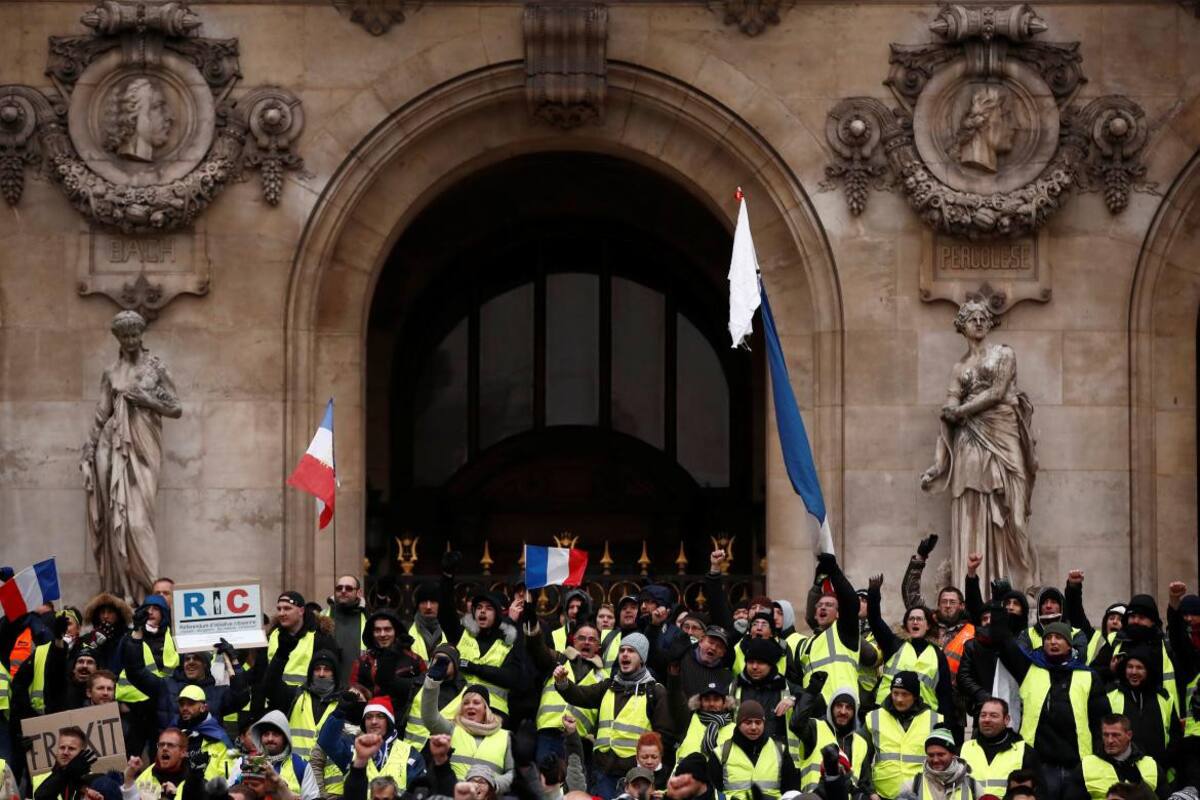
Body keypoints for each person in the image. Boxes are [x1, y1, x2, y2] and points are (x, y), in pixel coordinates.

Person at [919, 298, 1039, 594]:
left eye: (984, 317)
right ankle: (972, 586)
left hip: (1003, 434)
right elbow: (947, 414)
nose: (979, 322)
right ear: (962, 326)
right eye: (973, 318)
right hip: (968, 441)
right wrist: (939, 463)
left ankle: (1020, 587)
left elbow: (997, 392)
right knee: (971, 508)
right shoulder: (959, 368)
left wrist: (961, 411)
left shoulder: (1004, 354)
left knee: (1015, 515)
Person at [82, 309, 182, 600]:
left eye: (134, 334)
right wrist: (88, 453)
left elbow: (176, 408)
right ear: (118, 338)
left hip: (144, 444)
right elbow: (101, 414)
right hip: (111, 444)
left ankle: (153, 592)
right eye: (124, 336)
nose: (129, 340)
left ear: (141, 335)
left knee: (138, 522)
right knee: (118, 517)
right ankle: (126, 593)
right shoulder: (111, 372)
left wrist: (146, 399)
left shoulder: (156, 368)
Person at [994, 603, 1109, 800]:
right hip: (1038, 764)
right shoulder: (1029, 669)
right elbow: (1003, 641)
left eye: (1059, 637)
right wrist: (998, 604)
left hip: (1077, 765)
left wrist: (1098, 756)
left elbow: (1101, 720)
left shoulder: (1088, 676)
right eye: (1048, 638)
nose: (1053, 642)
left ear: (1070, 644)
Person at [554, 633, 675, 798]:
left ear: (642, 659)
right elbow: (580, 695)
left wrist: (653, 772)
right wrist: (562, 682)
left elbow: (664, 736)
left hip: (635, 777)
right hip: (602, 772)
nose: (625, 654)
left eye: (631, 651)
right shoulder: (608, 686)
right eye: (622, 650)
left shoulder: (655, 691)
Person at [868, 573, 957, 730]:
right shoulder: (894, 644)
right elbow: (875, 621)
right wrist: (874, 594)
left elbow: (945, 695)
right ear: (906, 625)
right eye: (911, 619)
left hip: (924, 718)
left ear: (928, 625)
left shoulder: (937, 655)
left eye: (919, 619)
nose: (915, 621)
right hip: (888, 712)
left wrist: (946, 729)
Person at [437, 557, 520, 721]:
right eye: (479, 608)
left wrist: (473, 667)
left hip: (494, 713)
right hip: (460, 709)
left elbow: (512, 677)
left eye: (488, 608)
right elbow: (445, 610)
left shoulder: (508, 641)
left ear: (497, 615)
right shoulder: (462, 634)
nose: (482, 611)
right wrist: (447, 576)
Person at [418, 664, 513, 793]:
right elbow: (430, 717)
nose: (470, 706)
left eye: (476, 703)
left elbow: (513, 773)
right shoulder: (452, 729)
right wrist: (432, 684)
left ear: (486, 709)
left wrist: (493, 785)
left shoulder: (506, 736)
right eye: (466, 703)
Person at [525, 613, 606, 759]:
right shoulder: (558, 659)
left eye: (592, 639)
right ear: (573, 640)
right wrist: (532, 629)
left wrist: (593, 736)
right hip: (548, 732)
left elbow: (605, 713)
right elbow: (538, 649)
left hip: (579, 739)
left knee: (573, 775)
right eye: (581, 638)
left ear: (598, 645)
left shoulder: (604, 676)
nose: (586, 642)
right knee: (546, 773)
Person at [901, 535, 976, 676]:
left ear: (962, 606)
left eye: (952, 602)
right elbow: (911, 595)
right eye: (944, 602)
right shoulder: (929, 624)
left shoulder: (970, 628)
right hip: (927, 684)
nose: (947, 605)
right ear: (938, 605)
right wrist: (920, 558)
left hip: (958, 687)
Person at [865, 671, 941, 800]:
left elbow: (946, 763)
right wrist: (870, 791)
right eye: (895, 693)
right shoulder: (874, 717)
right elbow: (861, 759)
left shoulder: (935, 720)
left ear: (915, 696)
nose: (899, 699)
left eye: (905, 694)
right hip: (882, 795)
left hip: (922, 795)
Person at [798, 553, 861, 706]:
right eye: (820, 605)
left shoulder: (844, 632)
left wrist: (834, 570)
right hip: (813, 713)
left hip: (842, 709)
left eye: (829, 605)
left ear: (839, 613)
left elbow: (851, 602)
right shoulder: (805, 645)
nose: (823, 607)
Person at [707, 699, 796, 799]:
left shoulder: (780, 751)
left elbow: (791, 792)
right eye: (748, 722)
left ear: (764, 724)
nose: (754, 727)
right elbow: (713, 794)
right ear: (738, 724)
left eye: (758, 722)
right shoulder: (720, 754)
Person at [349, 610, 424, 725]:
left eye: (387, 629)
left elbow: (425, 691)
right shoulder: (361, 662)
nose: (382, 634)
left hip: (407, 722)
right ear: (372, 633)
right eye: (377, 630)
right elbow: (354, 694)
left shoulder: (414, 660)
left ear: (396, 631)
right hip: (373, 723)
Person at [1105, 646, 1177, 765]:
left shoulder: (1165, 697)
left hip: (1159, 769)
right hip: (1122, 769)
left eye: (1139, 667)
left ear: (1148, 671)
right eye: (1130, 667)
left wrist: (1168, 762)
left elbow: (1175, 734)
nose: (1134, 672)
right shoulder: (1111, 695)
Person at [229, 711, 320, 800]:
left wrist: (282, 789)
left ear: (285, 738)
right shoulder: (244, 762)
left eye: (276, 734)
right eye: (266, 734)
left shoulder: (301, 765)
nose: (270, 739)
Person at [262, 592, 340, 694]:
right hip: (275, 697)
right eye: (279, 609)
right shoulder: (273, 634)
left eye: (287, 608)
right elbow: (263, 671)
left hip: (306, 697)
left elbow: (329, 675)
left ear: (301, 611)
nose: (281, 613)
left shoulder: (321, 637)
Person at [959, 698, 1040, 795]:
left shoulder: (1024, 752)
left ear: (1006, 720)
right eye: (983, 715)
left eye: (993, 715)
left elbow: (1038, 793)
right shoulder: (964, 749)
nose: (987, 719)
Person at [399, 644, 466, 749]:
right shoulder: (418, 683)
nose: (441, 664)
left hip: (442, 752)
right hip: (412, 750)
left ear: (455, 665)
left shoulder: (464, 692)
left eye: (446, 661)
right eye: (437, 659)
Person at [1079, 715, 1163, 800]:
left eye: (1116, 735)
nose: (1110, 740)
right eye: (1106, 735)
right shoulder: (1086, 766)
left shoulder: (1151, 765)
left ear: (1129, 735)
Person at [120, 728, 206, 800]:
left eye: (170, 745)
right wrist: (128, 779)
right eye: (161, 745)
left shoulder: (194, 782)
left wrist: (175, 796)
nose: (164, 748)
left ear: (183, 752)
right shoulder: (147, 775)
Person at [732, 637, 791, 742]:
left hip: (776, 750)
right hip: (742, 749)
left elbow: (812, 700)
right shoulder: (734, 687)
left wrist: (794, 699)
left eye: (760, 662)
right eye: (751, 662)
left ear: (770, 665)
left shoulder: (785, 686)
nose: (754, 667)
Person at [896, 728, 983, 800]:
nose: (935, 760)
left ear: (953, 755)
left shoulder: (973, 786)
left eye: (941, 754)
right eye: (931, 755)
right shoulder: (912, 786)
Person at [31, 725, 103, 799]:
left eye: (71, 748)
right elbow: (41, 797)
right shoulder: (39, 780)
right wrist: (66, 773)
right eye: (62, 747)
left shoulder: (95, 781)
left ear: (81, 753)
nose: (65, 752)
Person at [675, 683, 736, 761]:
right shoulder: (688, 720)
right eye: (707, 699)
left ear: (725, 703)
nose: (711, 704)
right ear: (700, 702)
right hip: (686, 768)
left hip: (718, 768)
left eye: (716, 699)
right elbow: (675, 694)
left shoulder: (734, 728)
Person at [325, 577, 368, 686]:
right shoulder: (322, 617)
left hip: (358, 688)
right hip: (328, 687)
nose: (343, 591)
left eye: (348, 588)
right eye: (339, 588)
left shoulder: (368, 619)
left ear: (359, 592)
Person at [408, 583, 447, 664]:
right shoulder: (407, 630)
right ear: (418, 606)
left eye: (433, 602)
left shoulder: (452, 630)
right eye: (424, 602)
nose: (428, 607)